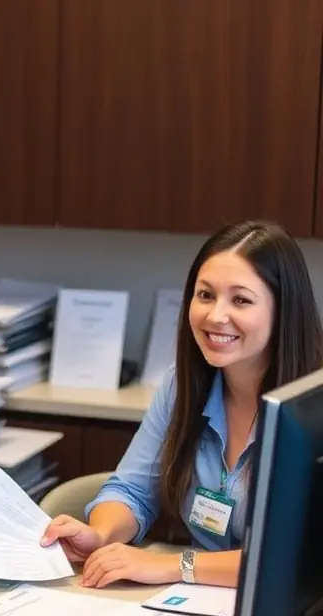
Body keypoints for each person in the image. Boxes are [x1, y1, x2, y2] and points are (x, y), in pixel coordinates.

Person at [41, 220, 323, 589]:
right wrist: (101, 534)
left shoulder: (313, 406)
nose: (215, 315)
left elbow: (299, 556)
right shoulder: (183, 384)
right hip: (192, 610)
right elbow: (132, 490)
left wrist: (175, 565)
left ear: (283, 310)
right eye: (205, 295)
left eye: (241, 300)